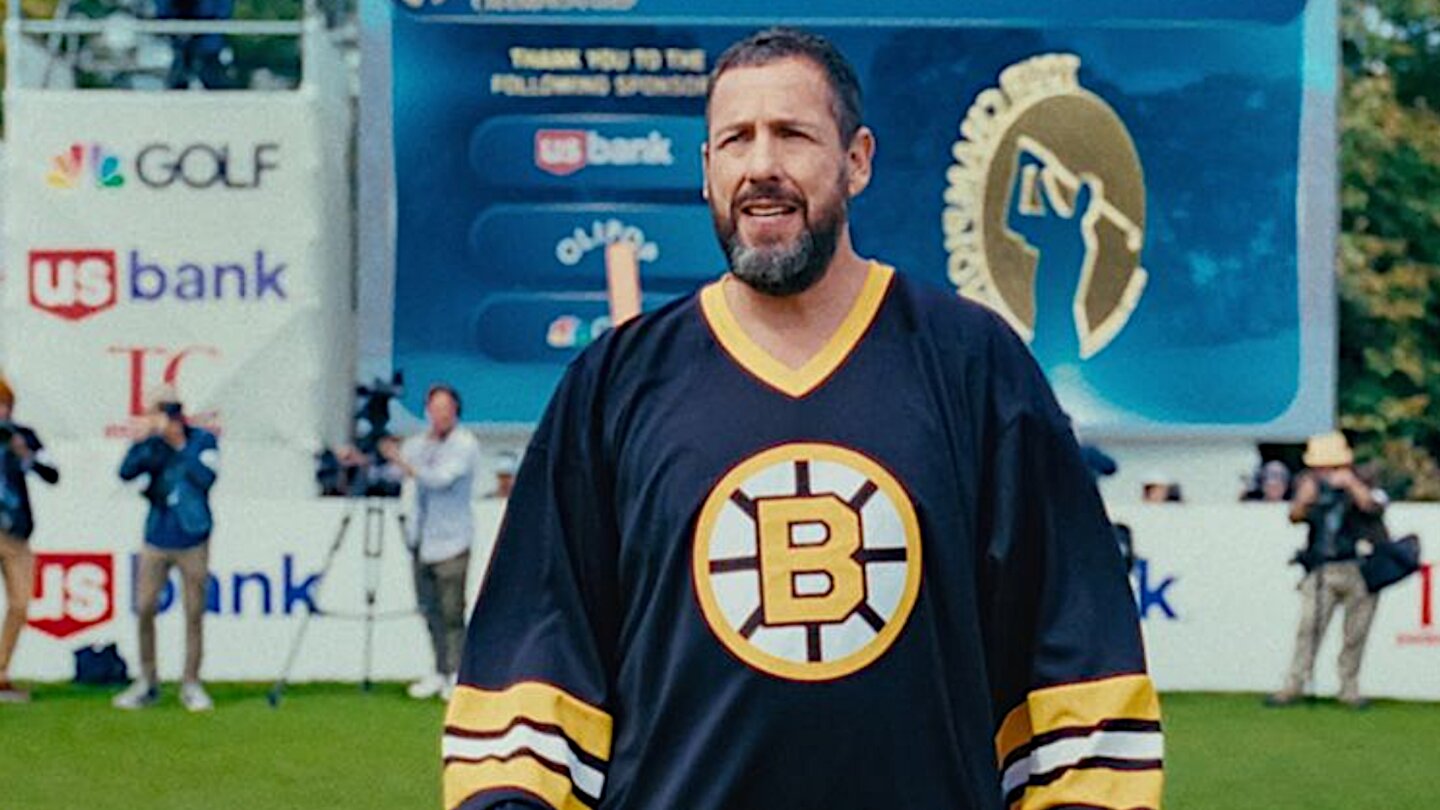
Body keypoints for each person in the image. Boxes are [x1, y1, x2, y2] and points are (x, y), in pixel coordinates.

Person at [442, 28, 1161, 810]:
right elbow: (537, 654)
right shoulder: (615, 384)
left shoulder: (973, 366)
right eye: (736, 140)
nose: (761, 167)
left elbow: (1073, 649)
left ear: (857, 160)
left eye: (792, 135)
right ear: (707, 170)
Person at [112, 391, 220, 712]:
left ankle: (191, 682)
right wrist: (142, 441)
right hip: (157, 535)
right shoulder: (151, 445)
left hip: (193, 535)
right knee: (145, 606)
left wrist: (178, 445)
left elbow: (206, 478)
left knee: (194, 611)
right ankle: (148, 680)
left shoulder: (203, 442)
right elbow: (126, 472)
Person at [1267, 431, 1387, 710]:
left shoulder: (1363, 480)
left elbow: (1373, 507)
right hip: (1322, 567)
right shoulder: (1308, 484)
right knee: (1309, 627)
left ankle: (1349, 687)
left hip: (1360, 567)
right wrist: (1305, 499)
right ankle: (1294, 684)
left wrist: (1352, 485)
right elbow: (1294, 516)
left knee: (1356, 633)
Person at [380, 384, 480, 701]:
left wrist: (401, 460)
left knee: (453, 612)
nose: (439, 416)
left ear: (456, 412)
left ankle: (458, 673)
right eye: (434, 409)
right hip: (421, 540)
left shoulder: (464, 444)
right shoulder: (418, 444)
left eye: (445, 410)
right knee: (430, 610)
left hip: (453, 541)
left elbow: (439, 479)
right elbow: (394, 474)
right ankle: (439, 670)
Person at [0, 377, 60, 704]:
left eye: (4, 405)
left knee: (20, 603)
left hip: (16, 532)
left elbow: (52, 474)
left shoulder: (24, 435)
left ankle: (1, 673)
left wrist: (25, 454)